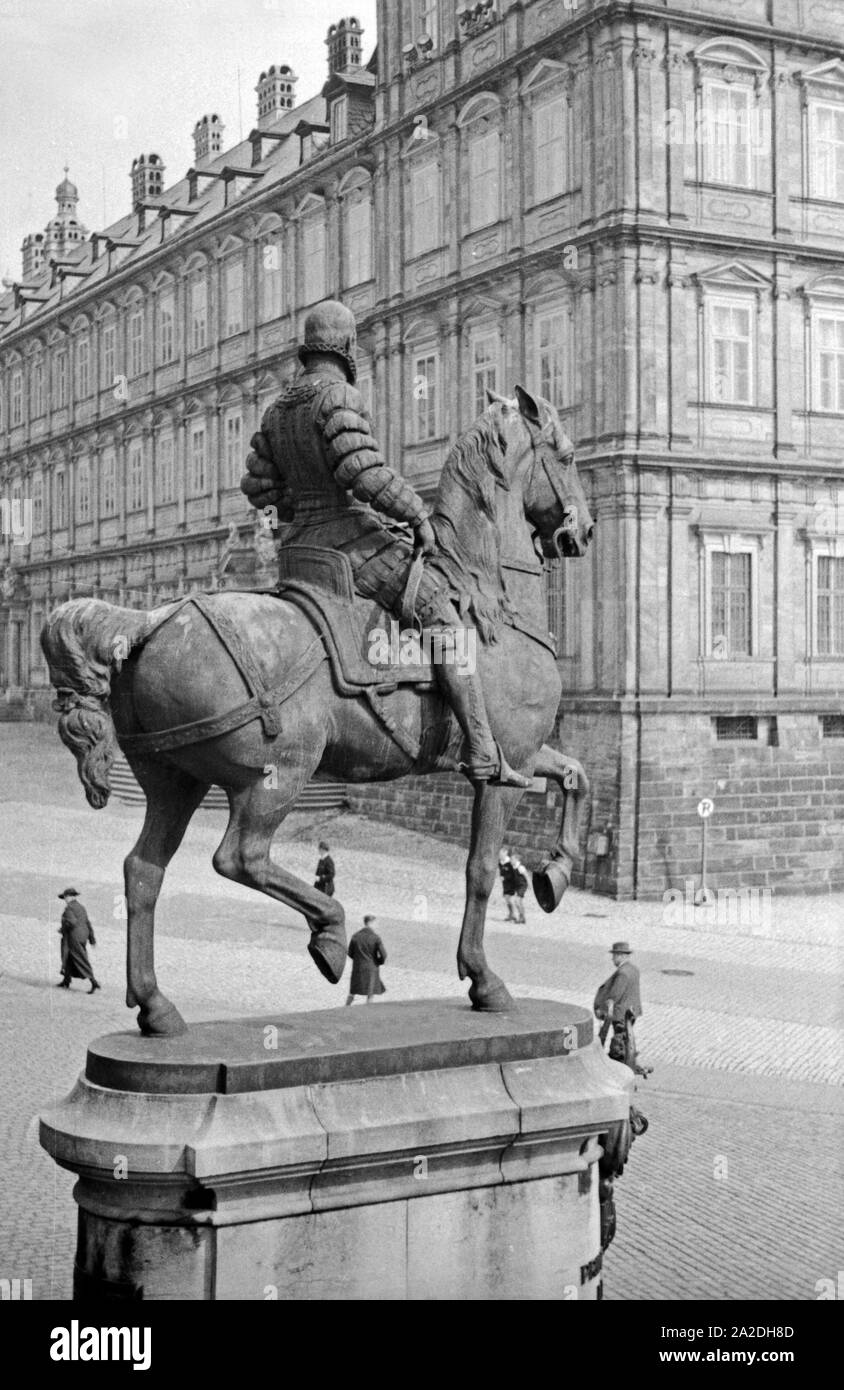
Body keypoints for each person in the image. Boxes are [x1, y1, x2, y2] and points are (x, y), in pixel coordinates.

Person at [240, 299, 530, 790]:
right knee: (441, 611)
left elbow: (259, 488)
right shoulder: (340, 398)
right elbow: (363, 471)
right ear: (348, 347)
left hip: (298, 552)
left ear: (306, 350)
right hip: (349, 544)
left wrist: (292, 511)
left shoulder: (276, 411)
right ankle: (481, 747)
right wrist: (417, 513)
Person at [594, 941, 642, 1071]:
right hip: (632, 1010)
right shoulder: (633, 969)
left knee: (619, 1037)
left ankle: (619, 1062)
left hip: (621, 1012)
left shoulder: (622, 973)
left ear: (621, 956)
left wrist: (602, 1010)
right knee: (626, 1036)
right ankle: (626, 1058)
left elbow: (614, 995)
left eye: (614, 955)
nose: (612, 959)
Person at [56, 888, 100, 994]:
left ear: (71, 897)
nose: (65, 899)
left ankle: (93, 982)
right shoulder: (81, 908)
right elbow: (87, 923)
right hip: (82, 937)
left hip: (73, 937)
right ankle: (66, 981)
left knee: (79, 958)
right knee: (69, 958)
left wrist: (62, 929)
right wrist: (92, 939)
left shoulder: (69, 908)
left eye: (65, 897)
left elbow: (71, 922)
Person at [345, 915, 387, 1005]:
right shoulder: (375, 937)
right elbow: (384, 955)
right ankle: (367, 1013)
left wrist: (358, 960)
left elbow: (350, 953)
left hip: (358, 968)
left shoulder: (355, 936)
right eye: (376, 923)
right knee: (370, 994)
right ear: (370, 923)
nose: (377, 925)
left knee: (352, 992)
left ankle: (345, 1008)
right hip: (371, 968)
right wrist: (378, 962)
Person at [509, 854, 528, 923]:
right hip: (517, 886)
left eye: (512, 859)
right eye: (511, 859)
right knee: (519, 902)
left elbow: (526, 876)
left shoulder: (520, 867)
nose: (511, 861)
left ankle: (521, 917)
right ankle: (522, 918)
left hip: (522, 886)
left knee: (517, 901)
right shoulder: (513, 867)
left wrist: (530, 885)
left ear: (516, 860)